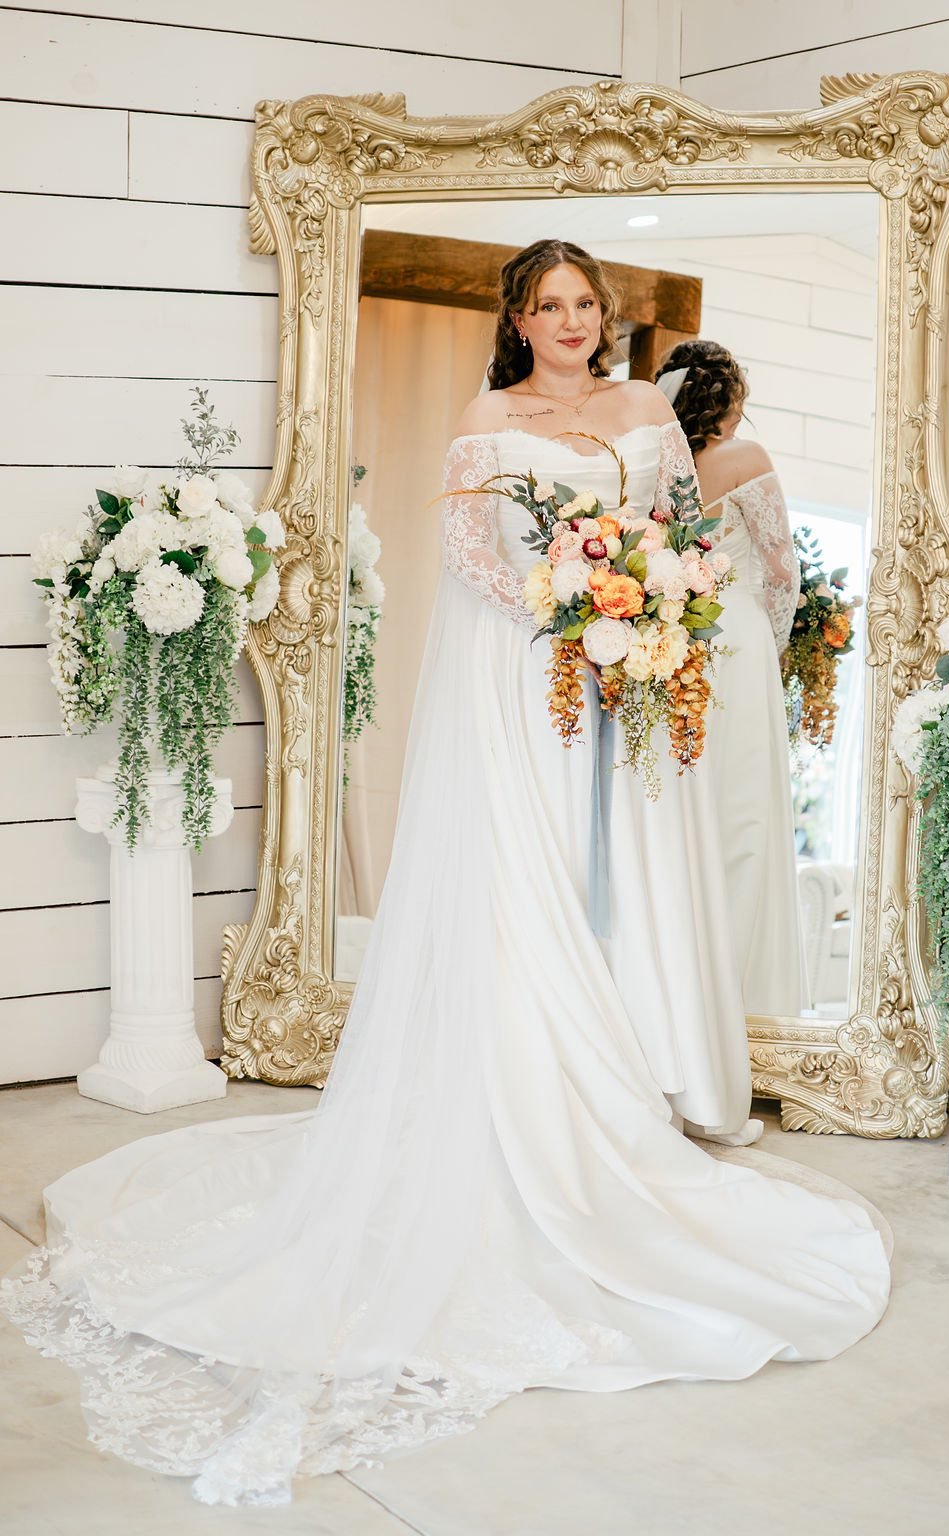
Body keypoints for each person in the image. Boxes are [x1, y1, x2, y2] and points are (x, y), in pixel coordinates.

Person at [1, 242, 889, 1509]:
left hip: (637, 677)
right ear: (518, 320)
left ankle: (641, 1071)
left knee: (630, 876)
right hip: (528, 677)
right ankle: (528, 1080)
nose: (572, 325)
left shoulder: (648, 412)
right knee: (524, 878)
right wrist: (574, 612)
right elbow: (477, 557)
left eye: (588, 307)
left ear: (606, 320)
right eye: (550, 307)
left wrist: (650, 605)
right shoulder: (489, 417)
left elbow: (685, 534)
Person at [656, 340, 806, 1017]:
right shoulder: (746, 459)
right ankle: (747, 1008)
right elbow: (781, 568)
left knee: (685, 812)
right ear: (728, 398)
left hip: (673, 643)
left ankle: (678, 996)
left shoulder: (655, 468)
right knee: (745, 816)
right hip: (738, 638)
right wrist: (771, 645)